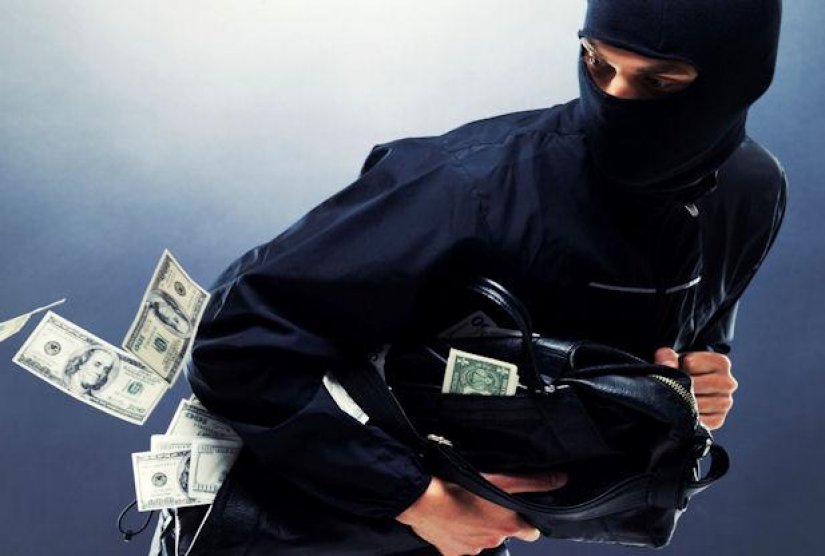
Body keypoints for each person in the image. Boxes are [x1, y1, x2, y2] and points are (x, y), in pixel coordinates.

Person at [166, 1, 786, 555]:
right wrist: (414, 499)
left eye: (657, 81)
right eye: (597, 63)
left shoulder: (751, 195)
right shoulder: (470, 185)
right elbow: (236, 340)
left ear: (739, 77)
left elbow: (694, 337)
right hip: (292, 528)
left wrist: (692, 387)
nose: (614, 97)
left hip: (468, 533)